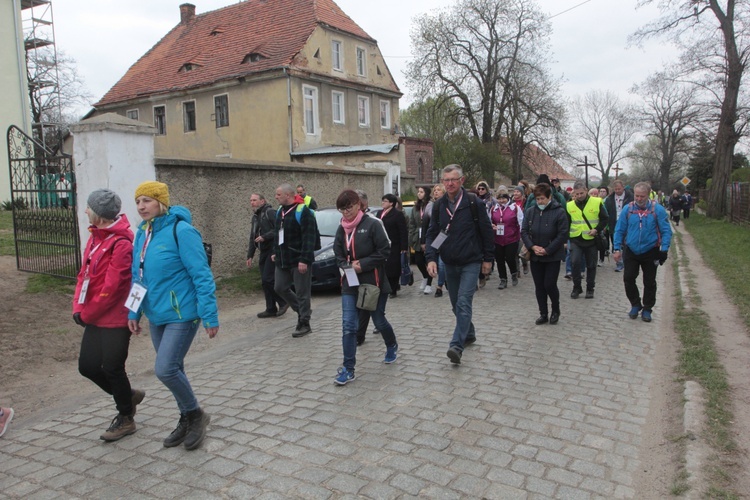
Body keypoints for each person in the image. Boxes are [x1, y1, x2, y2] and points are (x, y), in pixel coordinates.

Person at [128, 181, 218, 451]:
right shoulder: (142, 234)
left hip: (183, 313)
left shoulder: (182, 231)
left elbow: (201, 275)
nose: (142, 206)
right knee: (174, 368)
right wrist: (134, 310)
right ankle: (186, 418)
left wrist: (210, 315)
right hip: (157, 314)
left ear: (161, 203)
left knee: (165, 369)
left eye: (147, 200)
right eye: (138, 202)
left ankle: (195, 414)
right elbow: (138, 276)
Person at [74, 189, 142, 442]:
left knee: (113, 368)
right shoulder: (95, 238)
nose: (85, 211)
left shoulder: (121, 243)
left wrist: (88, 313)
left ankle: (126, 418)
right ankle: (128, 395)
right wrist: (77, 308)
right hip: (94, 315)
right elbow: (84, 276)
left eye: (88, 207)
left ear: (99, 213)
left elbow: (112, 288)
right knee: (88, 367)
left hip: (115, 318)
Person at [426, 165, 494, 365]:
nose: (449, 184)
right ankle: (469, 332)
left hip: (471, 261)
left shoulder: (474, 203)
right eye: (446, 180)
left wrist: (488, 259)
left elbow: (486, 232)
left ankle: (456, 346)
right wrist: (431, 257)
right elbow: (433, 234)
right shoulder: (439, 205)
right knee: (456, 305)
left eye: (453, 180)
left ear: (462, 180)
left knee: (464, 302)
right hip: (449, 262)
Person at [332, 190, 399, 385]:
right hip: (349, 284)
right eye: (342, 209)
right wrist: (345, 266)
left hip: (373, 283)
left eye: (349, 207)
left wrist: (363, 263)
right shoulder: (341, 228)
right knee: (348, 326)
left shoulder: (373, 224)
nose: (346, 212)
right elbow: (337, 254)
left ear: (358, 204)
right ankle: (348, 368)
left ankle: (391, 345)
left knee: (378, 321)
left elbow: (385, 250)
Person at [613, 182, 673, 322]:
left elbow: (666, 231)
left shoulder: (657, 210)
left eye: (642, 196)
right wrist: (616, 248)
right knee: (628, 278)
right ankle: (635, 304)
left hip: (650, 250)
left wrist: (663, 250)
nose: (639, 199)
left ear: (648, 195)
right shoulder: (628, 209)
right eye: (637, 196)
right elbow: (619, 229)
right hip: (631, 250)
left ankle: (647, 308)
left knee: (649, 281)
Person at [521, 183, 569, 325]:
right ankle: (543, 313)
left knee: (549, 284)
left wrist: (548, 249)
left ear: (549, 197)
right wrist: (532, 246)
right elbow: (524, 231)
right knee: (539, 286)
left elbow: (562, 234)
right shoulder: (530, 211)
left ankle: (555, 309)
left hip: (552, 255)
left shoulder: (559, 212)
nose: (540, 202)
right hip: (535, 254)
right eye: (537, 199)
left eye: (542, 198)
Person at [274, 183, 316, 337]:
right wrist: (275, 251)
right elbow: (277, 233)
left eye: (278, 194)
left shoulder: (303, 211)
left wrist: (304, 259)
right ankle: (302, 310)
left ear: (288, 195)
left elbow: (309, 238)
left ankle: (304, 323)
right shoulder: (280, 211)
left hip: (299, 259)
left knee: (302, 292)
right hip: (283, 259)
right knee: (279, 287)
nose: (276, 197)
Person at [247, 193, 288, 318]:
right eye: (251, 200)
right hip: (263, 252)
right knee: (264, 282)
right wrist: (250, 255)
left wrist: (265, 237)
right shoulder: (255, 217)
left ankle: (283, 301)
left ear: (262, 201)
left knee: (268, 279)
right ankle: (270, 308)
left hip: (273, 249)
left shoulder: (270, 212)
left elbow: (280, 228)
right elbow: (252, 237)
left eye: (254, 200)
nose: (252, 202)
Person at [566, 181, 608, 299]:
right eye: (577, 194)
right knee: (575, 262)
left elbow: (605, 219)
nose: (579, 196)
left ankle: (590, 288)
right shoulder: (569, 205)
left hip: (591, 239)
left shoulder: (596, 202)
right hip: (576, 239)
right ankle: (577, 287)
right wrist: (566, 240)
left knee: (591, 265)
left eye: (581, 193)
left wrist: (597, 229)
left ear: (586, 190)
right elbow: (567, 223)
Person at [491, 192, 523, 288]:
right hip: (498, 239)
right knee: (499, 260)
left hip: (511, 238)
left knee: (510, 258)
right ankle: (503, 279)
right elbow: (489, 221)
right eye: (499, 199)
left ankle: (514, 273)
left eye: (503, 199)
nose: (501, 201)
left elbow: (521, 222)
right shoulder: (494, 209)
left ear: (507, 198)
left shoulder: (515, 208)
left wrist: (521, 236)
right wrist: (492, 226)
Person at [379, 193, 409, 298]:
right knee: (384, 267)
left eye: (385, 201)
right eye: (382, 201)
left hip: (395, 245)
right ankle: (385, 287)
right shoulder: (380, 213)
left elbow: (403, 231)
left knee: (394, 268)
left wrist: (404, 247)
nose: (383, 203)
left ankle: (393, 288)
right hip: (382, 245)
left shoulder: (397, 214)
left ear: (391, 203)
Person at [603, 180, 633, 272]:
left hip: (628, 223)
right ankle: (619, 263)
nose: (617, 191)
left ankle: (627, 261)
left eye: (619, 189)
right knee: (616, 243)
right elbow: (606, 213)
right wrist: (605, 225)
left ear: (623, 187)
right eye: (615, 189)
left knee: (627, 243)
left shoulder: (630, 197)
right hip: (614, 223)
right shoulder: (609, 199)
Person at [410, 186, 433, 295]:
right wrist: (412, 235)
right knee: (419, 260)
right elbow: (412, 223)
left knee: (429, 260)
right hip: (417, 236)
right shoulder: (416, 207)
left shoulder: (430, 205)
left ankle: (429, 283)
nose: (419, 194)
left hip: (428, 235)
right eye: (418, 192)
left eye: (421, 192)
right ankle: (424, 276)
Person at [426, 183, 448, 297]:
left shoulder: (447, 205)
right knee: (438, 263)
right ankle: (439, 285)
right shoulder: (431, 205)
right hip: (436, 237)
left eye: (438, 190)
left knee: (442, 264)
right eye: (435, 190)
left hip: (446, 236)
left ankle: (440, 285)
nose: (436, 192)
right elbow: (427, 223)